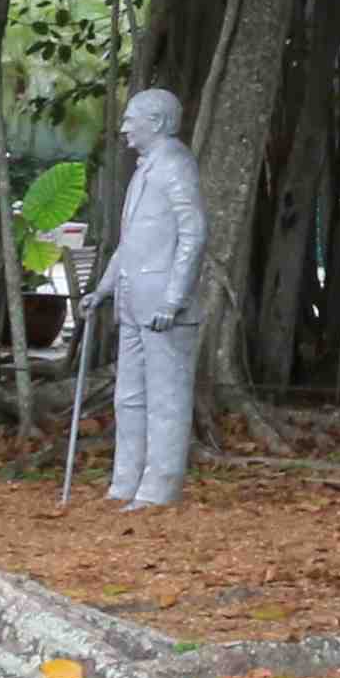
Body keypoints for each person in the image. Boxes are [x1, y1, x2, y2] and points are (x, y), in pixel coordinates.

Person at [102, 84, 205, 510]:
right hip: (132, 301)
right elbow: (131, 241)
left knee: (165, 398)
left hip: (162, 306)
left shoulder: (175, 166)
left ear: (157, 123)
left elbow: (193, 233)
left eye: (131, 119)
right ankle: (125, 481)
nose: (124, 127)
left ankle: (159, 488)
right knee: (128, 397)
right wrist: (104, 288)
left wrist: (173, 299)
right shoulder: (143, 170)